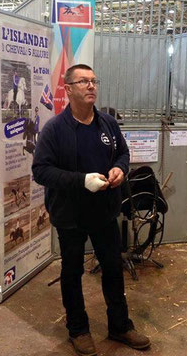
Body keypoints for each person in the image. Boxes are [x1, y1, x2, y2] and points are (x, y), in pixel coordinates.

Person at [32, 64, 150, 356]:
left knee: (112, 269)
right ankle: (78, 329)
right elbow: (41, 171)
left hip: (104, 212)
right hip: (70, 215)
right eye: (83, 81)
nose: (91, 86)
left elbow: (123, 153)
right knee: (72, 272)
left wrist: (119, 169)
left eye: (94, 81)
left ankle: (120, 326)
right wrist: (81, 181)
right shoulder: (54, 130)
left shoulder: (107, 123)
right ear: (68, 88)